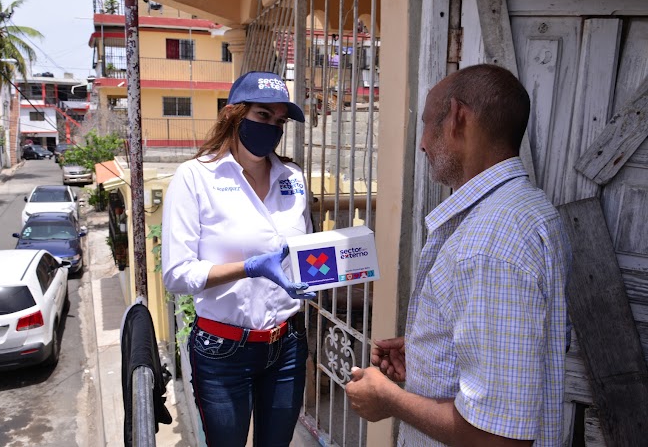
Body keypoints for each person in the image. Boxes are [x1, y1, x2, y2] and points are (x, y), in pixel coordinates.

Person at [345, 64, 572, 446]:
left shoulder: (489, 244)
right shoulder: (527, 210)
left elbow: (499, 438)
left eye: (428, 124)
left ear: (457, 117)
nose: (422, 143)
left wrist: (390, 400)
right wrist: (432, 349)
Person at [161, 71, 316, 447]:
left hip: (288, 342)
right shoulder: (195, 178)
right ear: (234, 114)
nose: (273, 128)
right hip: (223, 351)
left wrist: (340, 264)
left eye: (279, 121)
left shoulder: (292, 177)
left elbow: (305, 252)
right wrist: (246, 268)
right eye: (263, 116)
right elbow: (176, 274)